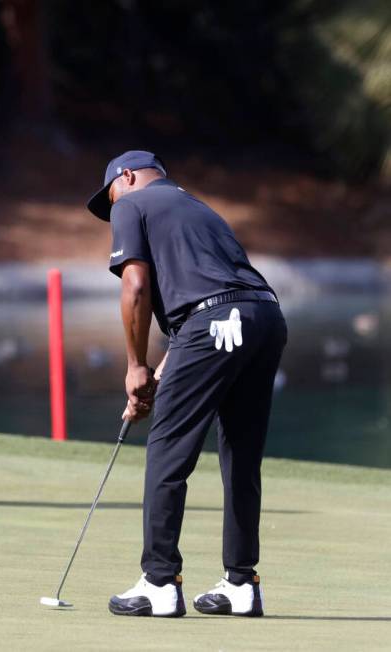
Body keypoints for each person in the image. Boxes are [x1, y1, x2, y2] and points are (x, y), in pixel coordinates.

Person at [86, 151, 287, 617]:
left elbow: (135, 286)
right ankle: (242, 584)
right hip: (265, 316)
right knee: (241, 454)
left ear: (128, 177)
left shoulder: (131, 204)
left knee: (168, 450)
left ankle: (159, 581)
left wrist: (135, 365)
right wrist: (157, 376)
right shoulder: (199, 207)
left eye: (111, 195)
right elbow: (209, 296)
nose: (110, 209)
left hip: (215, 322)